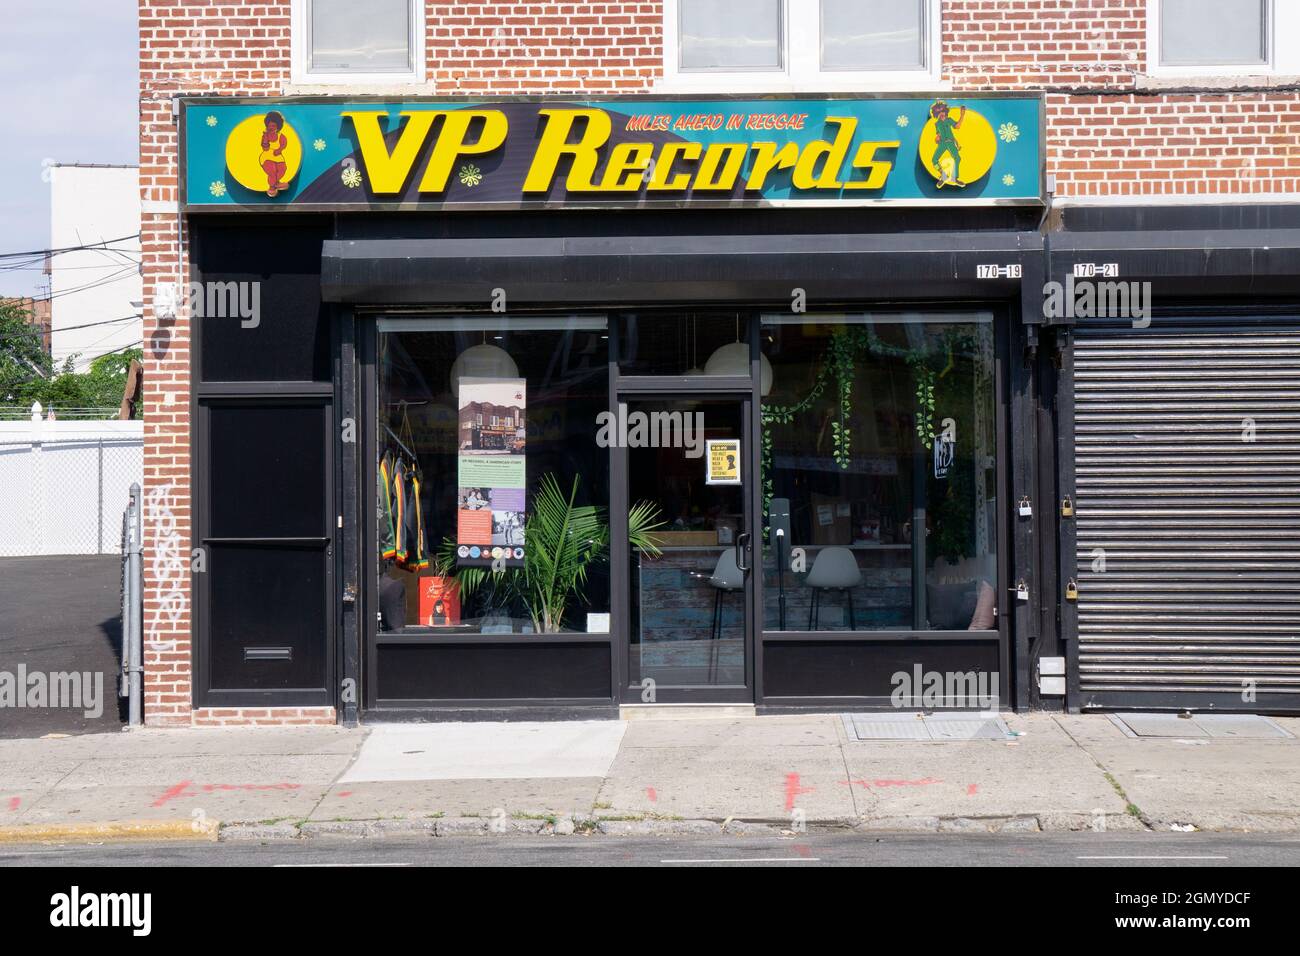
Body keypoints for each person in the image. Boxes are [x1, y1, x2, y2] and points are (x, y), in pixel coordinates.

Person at [930, 101, 966, 188]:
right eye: (938, 112)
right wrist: (936, 139)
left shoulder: (949, 120)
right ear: (936, 114)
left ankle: (955, 178)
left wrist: (962, 115)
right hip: (942, 143)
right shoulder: (937, 124)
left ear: (945, 111)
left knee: (957, 158)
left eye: (942, 111)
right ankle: (943, 176)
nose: (941, 114)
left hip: (950, 142)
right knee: (934, 160)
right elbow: (938, 135)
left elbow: (957, 126)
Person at [259, 111, 288, 197]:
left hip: (278, 156)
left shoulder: (281, 136)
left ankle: (276, 183)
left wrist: (279, 149)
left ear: (278, 127)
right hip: (267, 157)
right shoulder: (266, 135)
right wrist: (265, 137)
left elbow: (284, 144)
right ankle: (272, 187)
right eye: (269, 125)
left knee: (283, 169)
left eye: (274, 126)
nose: (271, 127)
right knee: (272, 170)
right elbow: (265, 148)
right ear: (267, 125)